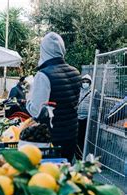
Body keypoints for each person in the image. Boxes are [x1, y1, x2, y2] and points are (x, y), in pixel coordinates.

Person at [26, 32, 81, 161]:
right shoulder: (75, 72)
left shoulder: (44, 75)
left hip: (52, 137)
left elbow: (37, 111)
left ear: (43, 50)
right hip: (72, 133)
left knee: (51, 175)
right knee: (65, 171)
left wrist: (28, 97)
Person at [76, 74, 93, 159]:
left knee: (85, 138)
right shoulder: (78, 91)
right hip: (77, 117)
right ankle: (79, 156)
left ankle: (84, 156)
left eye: (87, 82)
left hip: (88, 118)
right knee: (78, 138)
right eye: (83, 81)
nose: (85, 83)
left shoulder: (93, 92)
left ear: (90, 83)